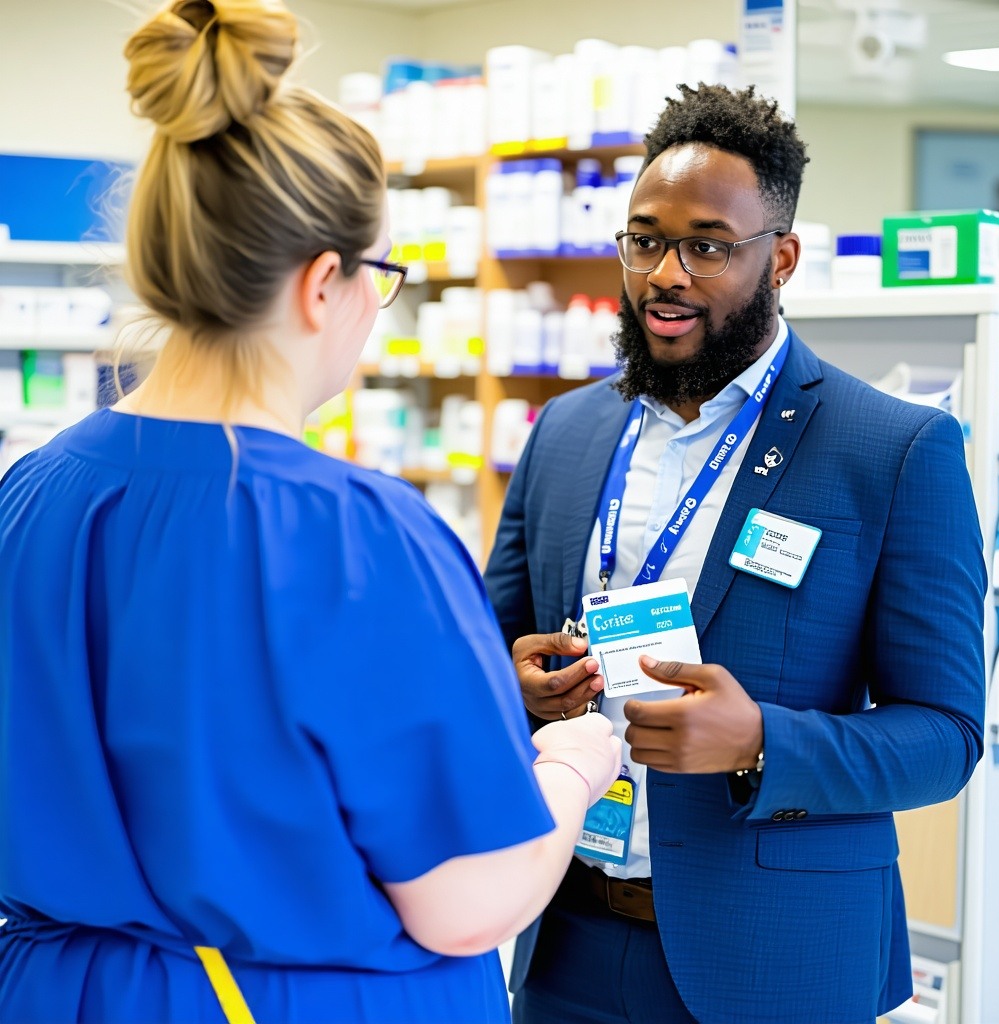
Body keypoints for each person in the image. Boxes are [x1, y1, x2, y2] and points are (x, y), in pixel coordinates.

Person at [0, 2, 622, 1021]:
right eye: (382, 279)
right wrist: (569, 767)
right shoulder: (356, 533)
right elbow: (466, 901)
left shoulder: (33, 492)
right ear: (321, 283)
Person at [483, 83, 986, 1024]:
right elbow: (484, 643)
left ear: (781, 258)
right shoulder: (564, 431)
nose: (666, 273)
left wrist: (763, 742)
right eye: (644, 240)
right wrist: (513, 686)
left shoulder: (892, 450)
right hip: (563, 939)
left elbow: (947, 738)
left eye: (707, 246)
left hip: (773, 959)